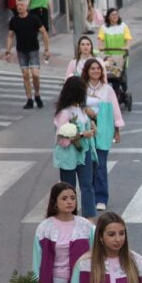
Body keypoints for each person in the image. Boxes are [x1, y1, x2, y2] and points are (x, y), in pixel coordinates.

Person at [52, 76, 98, 219]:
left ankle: (89, 219)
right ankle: (68, 216)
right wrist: (83, 134)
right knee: (68, 188)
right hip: (69, 154)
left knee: (87, 186)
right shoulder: (65, 113)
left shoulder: (82, 109)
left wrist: (91, 125)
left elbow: (87, 123)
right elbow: (62, 138)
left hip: (84, 153)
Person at [82, 58, 123, 213]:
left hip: (103, 131)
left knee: (100, 164)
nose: (96, 71)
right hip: (86, 130)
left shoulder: (107, 89)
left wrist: (117, 130)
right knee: (87, 165)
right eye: (92, 68)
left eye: (98, 69)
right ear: (87, 71)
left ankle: (101, 198)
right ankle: (89, 195)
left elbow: (115, 110)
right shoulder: (82, 88)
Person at [6, 0, 50, 109]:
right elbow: (10, 36)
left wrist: (46, 49)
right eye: (18, 6)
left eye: (21, 5)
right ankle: (29, 99)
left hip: (33, 50)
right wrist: (8, 51)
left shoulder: (34, 18)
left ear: (26, 6)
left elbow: (44, 33)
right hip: (21, 50)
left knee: (35, 74)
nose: (19, 7)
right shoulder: (13, 21)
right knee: (25, 75)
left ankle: (37, 95)